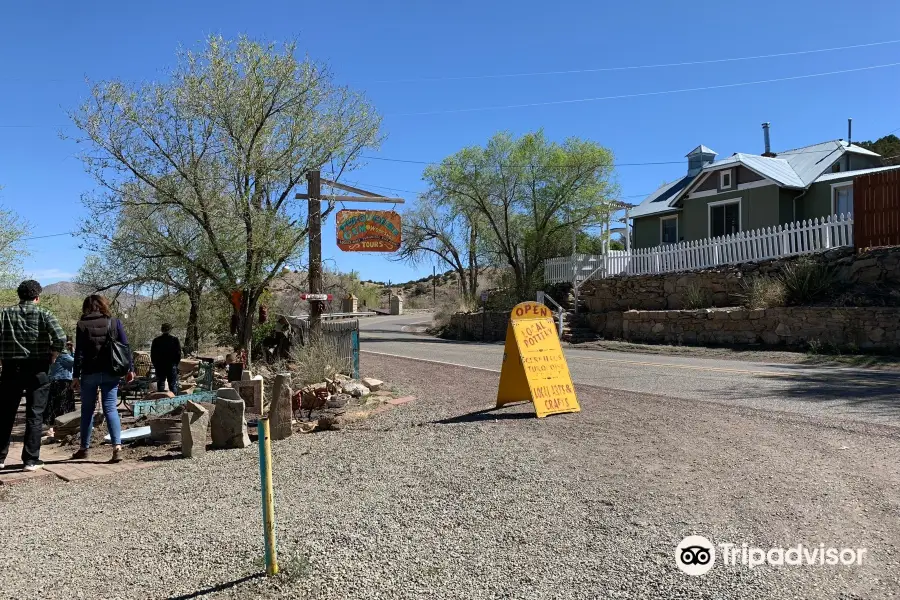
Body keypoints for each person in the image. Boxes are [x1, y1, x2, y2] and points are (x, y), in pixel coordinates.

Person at [0, 280, 67, 472]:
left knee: (5, 413)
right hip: (38, 368)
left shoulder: (4, 313)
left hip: (11, 368)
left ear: (19, 295)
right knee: (35, 415)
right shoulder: (45, 314)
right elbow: (60, 337)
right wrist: (54, 354)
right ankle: (30, 460)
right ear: (37, 296)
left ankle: (0, 457)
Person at [72, 294, 135, 462]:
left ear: (86, 307)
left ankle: (84, 448)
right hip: (111, 371)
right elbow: (125, 347)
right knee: (111, 409)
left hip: (89, 373)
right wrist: (131, 369)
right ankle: (117, 448)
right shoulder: (114, 322)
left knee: (87, 411)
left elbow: (79, 353)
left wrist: (75, 376)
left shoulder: (81, 325)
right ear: (103, 306)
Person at [45, 339, 76, 440]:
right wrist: (74, 350)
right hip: (63, 383)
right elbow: (76, 362)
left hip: (53, 383)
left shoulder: (52, 355)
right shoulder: (63, 356)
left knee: (54, 406)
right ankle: (60, 430)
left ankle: (51, 429)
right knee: (64, 406)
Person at [150, 323, 181, 395]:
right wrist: (175, 364)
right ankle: (174, 403)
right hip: (171, 365)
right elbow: (178, 354)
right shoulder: (174, 340)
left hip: (160, 366)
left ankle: (160, 402)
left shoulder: (156, 340)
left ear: (161, 330)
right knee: (172, 385)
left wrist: (155, 364)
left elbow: (153, 355)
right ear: (170, 330)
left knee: (160, 385)